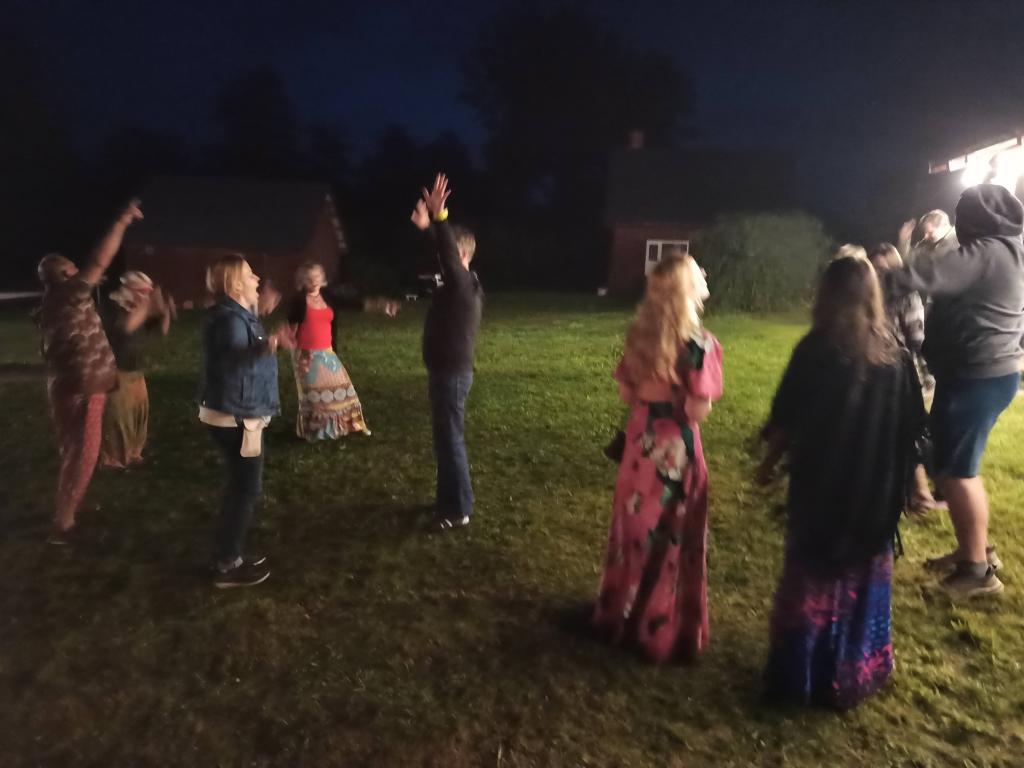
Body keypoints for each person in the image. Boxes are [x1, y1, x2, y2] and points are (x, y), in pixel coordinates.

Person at [757, 255, 925, 709]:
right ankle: (854, 668)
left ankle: (803, 672)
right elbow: (913, 431)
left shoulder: (815, 351)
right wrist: (915, 485)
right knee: (860, 579)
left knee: (812, 578)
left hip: (821, 488)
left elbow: (785, 420)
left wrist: (768, 464)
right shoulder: (894, 354)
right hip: (874, 492)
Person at [885, 183, 1024, 599]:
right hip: (981, 373)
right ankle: (975, 549)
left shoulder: (987, 252)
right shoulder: (1010, 249)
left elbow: (921, 275)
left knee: (958, 471)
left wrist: (865, 280)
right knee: (951, 464)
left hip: (976, 375)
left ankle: (977, 572)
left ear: (974, 220)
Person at [592, 255, 724, 663]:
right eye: (698, 272)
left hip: (639, 448)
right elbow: (696, 410)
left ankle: (620, 611)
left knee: (634, 532)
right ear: (687, 289)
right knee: (672, 538)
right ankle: (660, 626)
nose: (704, 275)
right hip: (674, 454)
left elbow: (627, 393)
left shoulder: (639, 337)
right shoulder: (700, 344)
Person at [37, 199, 144, 544]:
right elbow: (100, 260)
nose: (80, 271)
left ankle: (70, 507)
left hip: (68, 383)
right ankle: (64, 523)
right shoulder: (69, 294)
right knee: (84, 452)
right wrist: (122, 221)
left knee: (74, 449)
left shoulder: (52, 302)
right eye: (72, 268)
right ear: (64, 276)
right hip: (83, 386)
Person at [199, 254, 296, 588]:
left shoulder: (234, 314)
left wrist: (266, 334)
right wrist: (270, 344)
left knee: (240, 486)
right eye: (251, 275)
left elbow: (242, 344)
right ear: (235, 284)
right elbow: (235, 355)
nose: (257, 280)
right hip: (238, 417)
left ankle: (229, 555)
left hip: (235, 413)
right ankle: (227, 564)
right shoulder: (229, 320)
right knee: (245, 489)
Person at [409, 173, 483, 531]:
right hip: (444, 372)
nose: (444, 260)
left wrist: (439, 218)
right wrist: (428, 230)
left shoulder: (463, 284)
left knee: (451, 440)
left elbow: (448, 259)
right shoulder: (460, 285)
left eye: (450, 253)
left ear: (461, 254)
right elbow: (444, 257)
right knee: (444, 440)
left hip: (452, 375)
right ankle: (448, 501)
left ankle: (459, 508)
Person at [285, 263, 398, 441]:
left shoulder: (328, 296)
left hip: (327, 353)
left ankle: (343, 426)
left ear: (322, 278)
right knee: (315, 398)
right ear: (302, 280)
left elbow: (355, 304)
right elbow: (291, 329)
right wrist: (297, 354)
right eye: (309, 278)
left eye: (317, 276)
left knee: (343, 390)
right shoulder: (299, 301)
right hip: (307, 355)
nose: (314, 281)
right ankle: (316, 431)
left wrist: (380, 306)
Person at [866, 243, 938, 515]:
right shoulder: (868, 294)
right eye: (875, 268)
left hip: (902, 372)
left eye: (884, 268)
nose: (880, 274)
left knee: (906, 430)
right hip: (878, 370)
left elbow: (916, 339)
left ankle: (919, 490)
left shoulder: (908, 297)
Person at [99, 271, 175, 468]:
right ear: (128, 289)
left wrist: (165, 311)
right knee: (118, 416)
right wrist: (147, 305)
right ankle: (114, 458)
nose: (145, 296)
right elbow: (126, 326)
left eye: (147, 292)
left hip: (135, 370)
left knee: (138, 412)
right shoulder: (113, 306)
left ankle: (134, 452)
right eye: (142, 291)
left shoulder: (139, 309)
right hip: (116, 370)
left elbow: (161, 330)